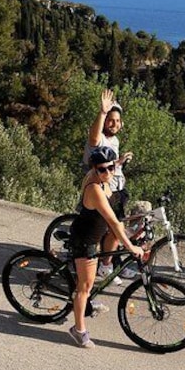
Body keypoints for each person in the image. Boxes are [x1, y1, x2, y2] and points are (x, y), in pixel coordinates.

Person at [68, 146, 145, 348]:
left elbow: (114, 219)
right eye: (102, 169)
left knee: (90, 281)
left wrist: (119, 162)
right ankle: (78, 330)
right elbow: (113, 221)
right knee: (85, 287)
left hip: (96, 234)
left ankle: (85, 304)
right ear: (94, 169)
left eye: (111, 168)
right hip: (85, 240)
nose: (108, 172)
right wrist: (130, 247)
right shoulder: (94, 188)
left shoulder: (104, 178)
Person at [82, 89, 134, 282]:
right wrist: (102, 112)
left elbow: (109, 163)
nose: (114, 124)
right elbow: (94, 140)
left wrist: (120, 161)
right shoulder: (99, 137)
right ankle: (106, 267)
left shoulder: (115, 140)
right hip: (103, 190)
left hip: (117, 187)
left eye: (118, 121)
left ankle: (114, 264)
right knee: (114, 227)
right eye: (111, 120)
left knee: (119, 227)